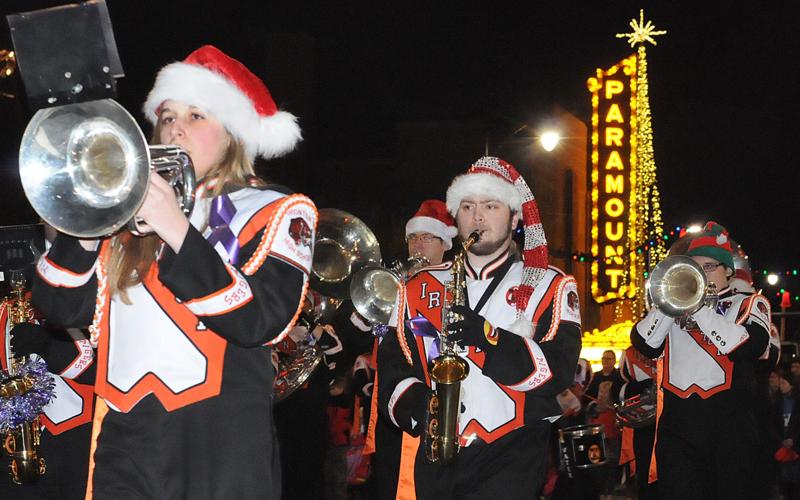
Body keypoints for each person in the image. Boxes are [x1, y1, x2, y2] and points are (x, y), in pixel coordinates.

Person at [32, 45, 314, 499]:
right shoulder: (122, 214)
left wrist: (178, 230)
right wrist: (86, 224)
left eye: (196, 116)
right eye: (166, 116)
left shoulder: (275, 208)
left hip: (219, 434)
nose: (174, 126)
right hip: (126, 431)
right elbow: (58, 306)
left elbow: (262, 320)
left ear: (233, 135)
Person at [377, 156, 582, 499]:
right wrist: (420, 409)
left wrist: (488, 339)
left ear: (515, 217)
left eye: (491, 205)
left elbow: (558, 370)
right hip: (436, 454)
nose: (478, 216)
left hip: (512, 454)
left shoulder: (552, 285)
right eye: (468, 206)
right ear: (456, 218)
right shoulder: (417, 286)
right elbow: (392, 365)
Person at [630, 221, 771, 500]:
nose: (700, 274)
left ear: (728, 272)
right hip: (679, 428)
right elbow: (644, 343)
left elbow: (750, 345)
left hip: (729, 429)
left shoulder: (748, 303)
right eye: (693, 267)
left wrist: (701, 312)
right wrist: (671, 302)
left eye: (708, 267)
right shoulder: (672, 306)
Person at [367, 199, 457, 500]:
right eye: (413, 238)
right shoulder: (397, 284)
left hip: (433, 403)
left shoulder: (457, 281)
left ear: (445, 243)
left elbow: (431, 338)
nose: (418, 246)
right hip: (393, 406)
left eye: (427, 237)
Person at [405, 199, 458, 267]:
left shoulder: (454, 277)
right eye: (412, 237)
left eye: (426, 238)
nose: (417, 244)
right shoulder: (399, 277)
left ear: (444, 244)